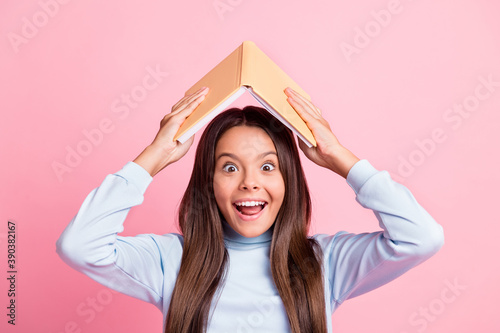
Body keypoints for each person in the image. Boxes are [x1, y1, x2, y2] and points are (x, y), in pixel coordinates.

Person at [56, 86, 445, 333]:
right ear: (208, 184)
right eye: (229, 167)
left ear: (288, 180)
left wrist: (339, 157)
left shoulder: (325, 263)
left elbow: (421, 237)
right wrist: (153, 158)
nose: (249, 182)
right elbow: (79, 245)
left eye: (267, 166)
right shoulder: (170, 260)